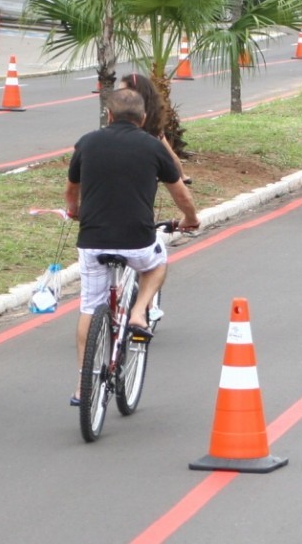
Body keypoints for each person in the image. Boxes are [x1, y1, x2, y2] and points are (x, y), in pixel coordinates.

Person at [65, 88, 199, 405]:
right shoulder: (153, 147)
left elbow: (71, 190)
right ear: (142, 119)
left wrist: (75, 212)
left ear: (108, 116)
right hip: (137, 240)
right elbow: (181, 193)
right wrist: (190, 218)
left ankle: (83, 384)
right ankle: (139, 311)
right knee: (157, 264)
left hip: (93, 242)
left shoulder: (87, 142)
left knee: (89, 306)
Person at [119, 73, 191, 184]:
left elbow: (170, 156)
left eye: (123, 92)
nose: (119, 96)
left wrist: (181, 176)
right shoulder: (150, 115)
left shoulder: (147, 122)